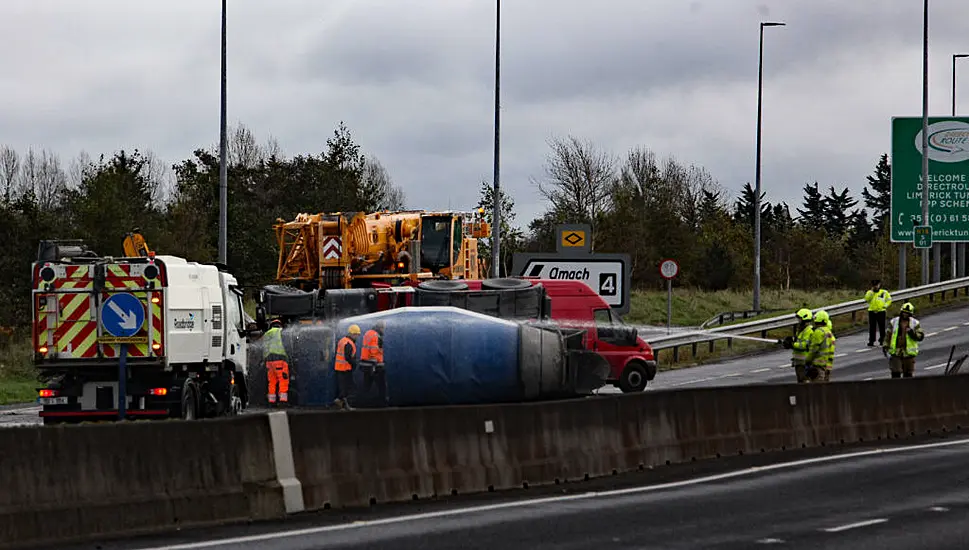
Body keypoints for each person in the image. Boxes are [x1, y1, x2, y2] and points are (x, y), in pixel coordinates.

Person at [882, 302, 925, 378]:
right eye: (904, 313)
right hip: (896, 352)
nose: (905, 314)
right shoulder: (894, 322)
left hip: (908, 353)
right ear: (901, 312)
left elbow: (920, 336)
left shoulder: (915, 323)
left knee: (908, 375)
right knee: (896, 373)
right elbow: (888, 335)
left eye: (907, 313)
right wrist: (885, 345)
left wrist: (912, 333)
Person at [781, 308, 815, 383]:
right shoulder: (801, 330)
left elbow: (803, 345)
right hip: (799, 362)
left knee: (804, 382)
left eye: (799, 319)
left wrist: (792, 344)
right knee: (800, 382)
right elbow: (798, 340)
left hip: (804, 362)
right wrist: (789, 341)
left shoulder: (809, 331)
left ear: (804, 319)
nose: (798, 321)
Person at [262, 318, 290, 406]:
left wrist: (264, 359)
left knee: (272, 381)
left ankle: (271, 401)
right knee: (283, 380)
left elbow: (264, 348)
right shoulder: (281, 332)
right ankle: (282, 401)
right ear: (280, 325)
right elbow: (287, 345)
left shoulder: (267, 334)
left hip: (269, 362)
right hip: (280, 360)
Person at [333, 324, 361, 409]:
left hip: (339, 368)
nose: (357, 337)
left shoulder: (343, 340)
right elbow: (348, 357)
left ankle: (342, 405)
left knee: (344, 388)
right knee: (349, 388)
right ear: (353, 334)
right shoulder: (349, 343)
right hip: (345, 369)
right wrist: (354, 364)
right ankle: (342, 403)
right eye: (357, 335)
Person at [360, 321, 387, 405]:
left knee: (366, 386)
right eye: (383, 328)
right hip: (375, 366)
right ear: (380, 328)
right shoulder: (376, 336)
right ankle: (383, 403)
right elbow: (374, 351)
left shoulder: (368, 333)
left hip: (366, 364)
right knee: (382, 386)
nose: (384, 330)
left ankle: (361, 403)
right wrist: (375, 365)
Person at [805, 310, 836, 383]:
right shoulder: (828, 332)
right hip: (826, 365)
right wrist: (829, 367)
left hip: (818, 365)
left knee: (817, 389)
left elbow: (813, 349)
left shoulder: (818, 332)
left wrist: (807, 361)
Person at [864, 279, 892, 347]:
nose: (876, 287)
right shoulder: (869, 292)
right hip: (872, 311)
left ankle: (882, 340)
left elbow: (889, 300)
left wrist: (885, 306)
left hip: (881, 311)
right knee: (872, 327)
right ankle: (871, 340)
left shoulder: (884, 292)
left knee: (882, 326)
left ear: (879, 285)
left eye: (877, 285)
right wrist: (872, 292)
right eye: (874, 285)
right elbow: (867, 299)